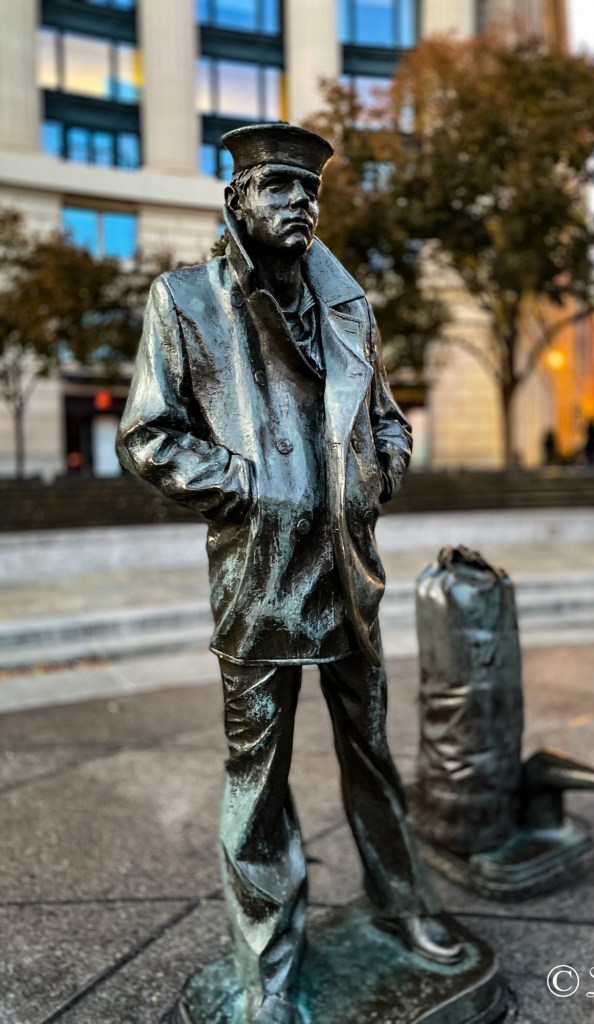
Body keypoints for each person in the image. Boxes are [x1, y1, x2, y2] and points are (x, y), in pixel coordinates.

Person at [116, 123, 461, 1024]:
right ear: (237, 200)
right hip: (260, 579)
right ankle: (267, 971)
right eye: (279, 187)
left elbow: (388, 419)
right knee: (257, 784)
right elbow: (148, 434)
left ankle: (403, 906)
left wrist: (376, 478)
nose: (299, 204)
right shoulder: (184, 302)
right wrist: (245, 491)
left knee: (374, 757)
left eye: (309, 191)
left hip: (347, 573)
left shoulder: (350, 305)